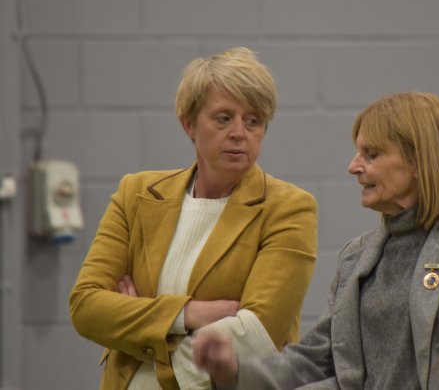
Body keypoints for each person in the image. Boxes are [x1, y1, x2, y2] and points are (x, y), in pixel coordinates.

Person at [192, 92, 439, 390]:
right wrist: (235, 370)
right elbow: (316, 361)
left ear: (419, 161)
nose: (353, 166)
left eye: (371, 154)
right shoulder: (355, 258)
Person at [69, 47, 318, 390]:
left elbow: (256, 336)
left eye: (253, 121)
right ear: (188, 123)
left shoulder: (288, 208)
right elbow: (86, 307)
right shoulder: (136, 194)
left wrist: (139, 320)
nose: (239, 132)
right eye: (223, 118)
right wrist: (186, 315)